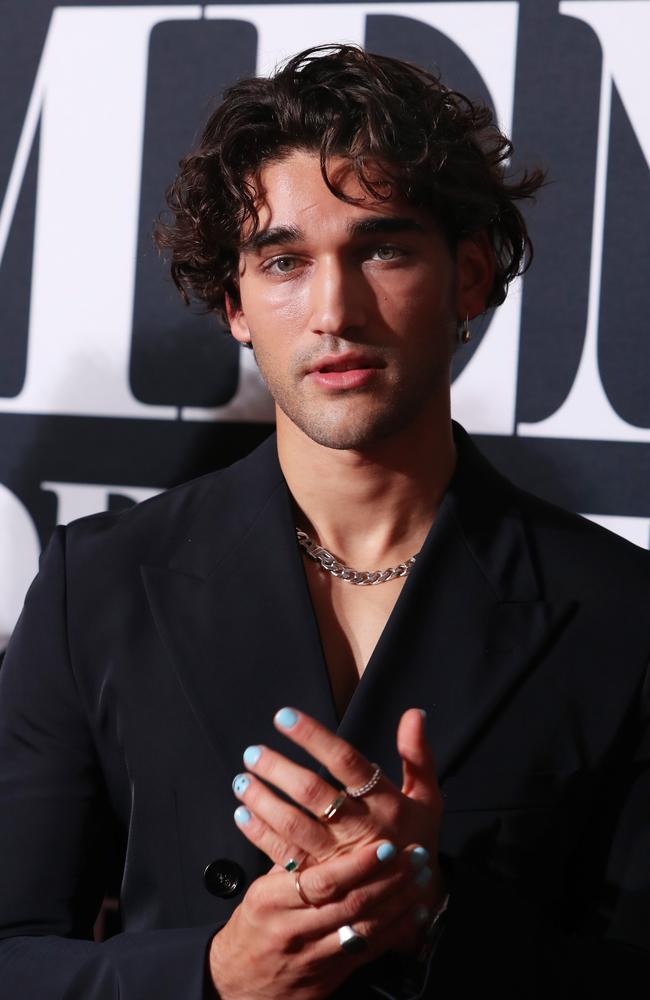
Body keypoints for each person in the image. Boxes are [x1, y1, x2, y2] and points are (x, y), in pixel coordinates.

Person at [0, 43, 649, 1000]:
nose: (334, 311)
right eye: (285, 262)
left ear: (470, 279)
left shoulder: (618, 612)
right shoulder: (95, 584)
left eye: (383, 249)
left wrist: (434, 919)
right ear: (234, 303)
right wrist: (212, 976)